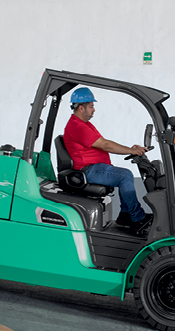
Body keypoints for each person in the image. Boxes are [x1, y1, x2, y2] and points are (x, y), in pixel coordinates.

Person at [63, 87, 153, 231]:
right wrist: (131, 151)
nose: (94, 110)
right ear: (81, 107)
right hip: (88, 170)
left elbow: (103, 142)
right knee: (125, 176)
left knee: (125, 175)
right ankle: (137, 217)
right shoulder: (77, 126)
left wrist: (131, 149)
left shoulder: (84, 124)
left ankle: (125, 215)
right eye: (91, 106)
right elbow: (105, 145)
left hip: (95, 167)